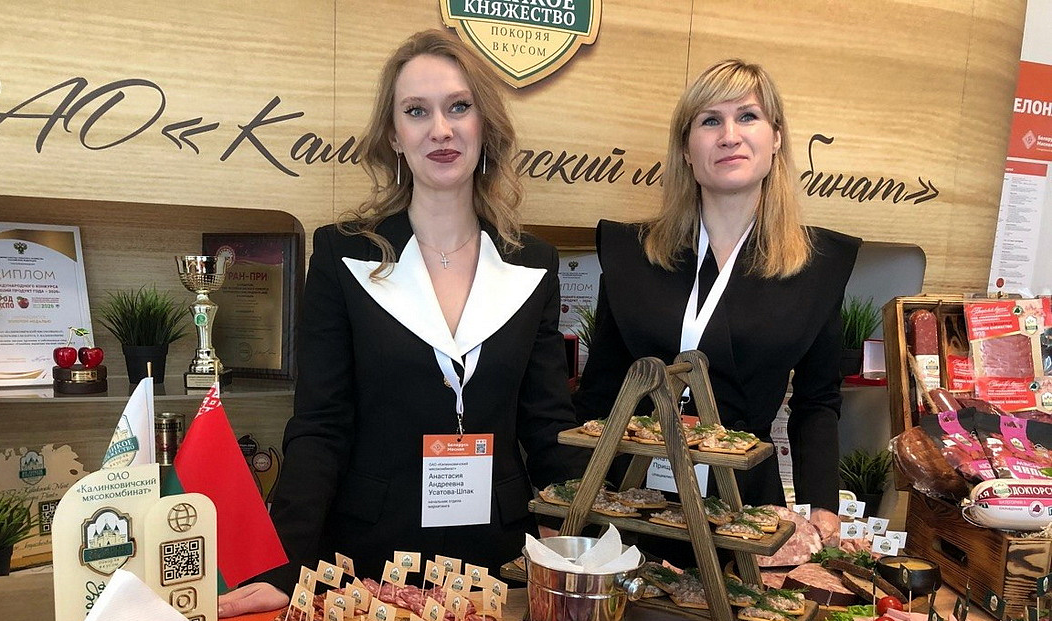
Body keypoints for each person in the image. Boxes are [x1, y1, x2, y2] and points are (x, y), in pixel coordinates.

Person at [269, 30, 585, 585]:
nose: (441, 129)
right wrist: (281, 566)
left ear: (484, 124)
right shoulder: (343, 254)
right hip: (370, 559)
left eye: (459, 107)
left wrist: (583, 536)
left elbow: (547, 424)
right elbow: (319, 425)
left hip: (501, 552)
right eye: (417, 111)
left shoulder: (533, 262)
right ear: (394, 134)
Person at [575, 59, 860, 542]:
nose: (730, 136)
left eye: (748, 116)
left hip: (744, 508)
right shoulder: (631, 253)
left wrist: (823, 508)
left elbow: (817, 402)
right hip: (632, 497)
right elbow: (600, 392)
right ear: (686, 150)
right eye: (710, 120)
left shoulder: (819, 265)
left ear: (777, 137)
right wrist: (572, 495)